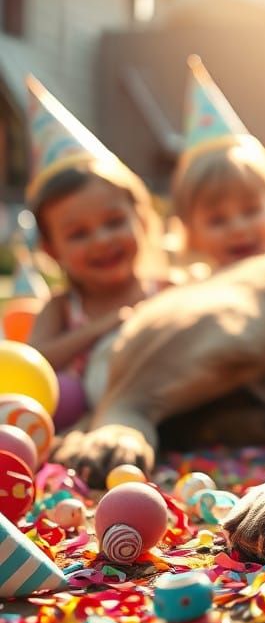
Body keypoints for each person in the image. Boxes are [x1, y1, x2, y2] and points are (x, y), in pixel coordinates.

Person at [22, 76, 167, 424]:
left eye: (114, 222)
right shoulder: (62, 308)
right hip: (79, 423)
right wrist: (99, 328)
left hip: (154, 413)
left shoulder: (166, 290)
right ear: (51, 250)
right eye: (78, 234)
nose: (102, 240)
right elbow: (34, 361)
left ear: (141, 221)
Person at [170, 55, 265, 271]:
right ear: (192, 233)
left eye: (251, 211)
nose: (238, 229)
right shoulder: (204, 284)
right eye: (217, 220)